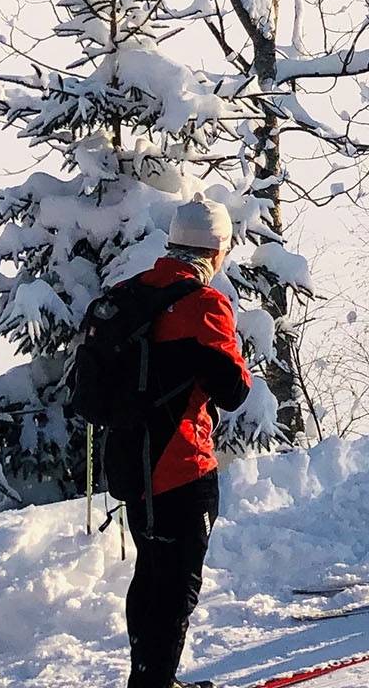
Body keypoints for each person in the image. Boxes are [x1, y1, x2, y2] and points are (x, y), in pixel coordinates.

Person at [109, 199, 251, 688]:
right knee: (176, 588)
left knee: (150, 575)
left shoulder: (132, 293)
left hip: (132, 465)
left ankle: (149, 678)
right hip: (183, 466)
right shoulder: (203, 303)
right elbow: (233, 391)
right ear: (216, 250)